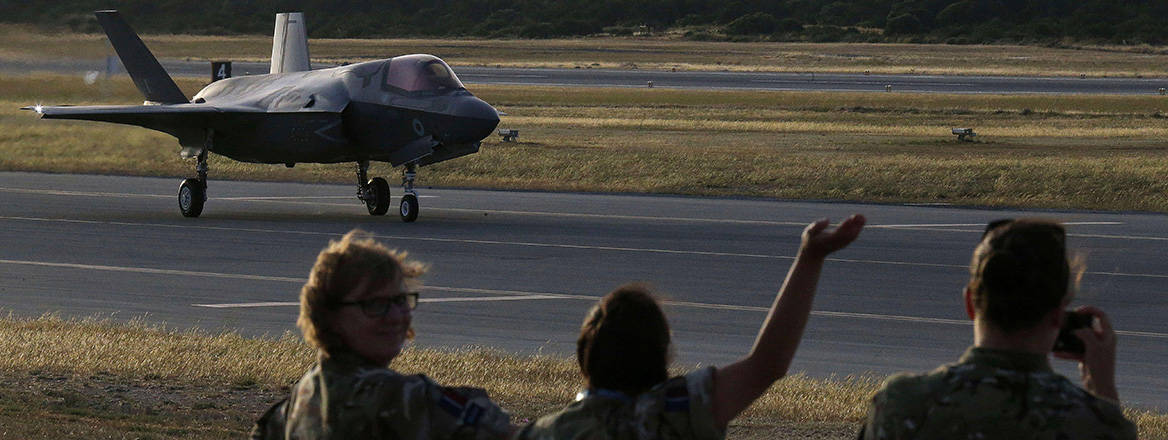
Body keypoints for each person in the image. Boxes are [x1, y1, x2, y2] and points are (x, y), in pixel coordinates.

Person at [517, 214, 867, 440]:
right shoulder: (679, 413)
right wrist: (810, 258)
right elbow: (768, 364)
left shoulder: (546, 433)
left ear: (583, 359)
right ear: (664, 354)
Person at [859, 218, 1138, 439]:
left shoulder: (904, 404)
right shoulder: (1091, 423)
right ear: (1057, 316)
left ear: (970, 303)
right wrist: (1103, 391)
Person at [251, 230, 513, 440]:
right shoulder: (400, 397)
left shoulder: (299, 401)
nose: (396, 316)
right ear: (330, 315)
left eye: (400, 300)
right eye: (375, 305)